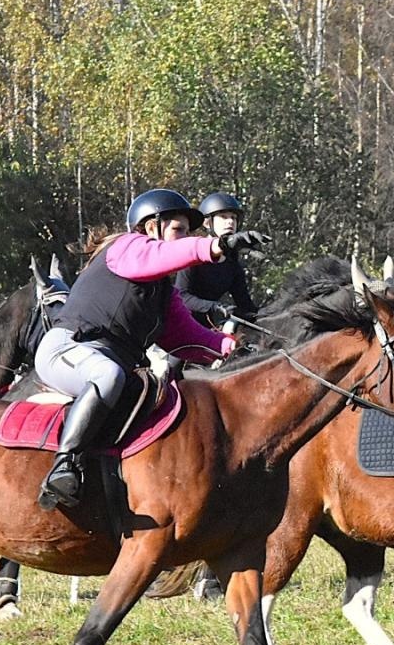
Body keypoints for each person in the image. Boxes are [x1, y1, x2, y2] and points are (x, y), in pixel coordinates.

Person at [33, 189, 268, 511]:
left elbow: (186, 335)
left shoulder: (162, 290)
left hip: (111, 362)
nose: (184, 237)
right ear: (150, 227)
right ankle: (64, 466)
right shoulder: (126, 248)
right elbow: (162, 256)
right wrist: (218, 245)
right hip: (68, 349)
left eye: (188, 232)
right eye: (178, 230)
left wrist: (235, 348)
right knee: (108, 375)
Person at [176, 191, 259, 327]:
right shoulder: (194, 254)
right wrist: (215, 306)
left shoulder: (232, 264)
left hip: (208, 328)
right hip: (176, 326)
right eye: (223, 217)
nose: (230, 222)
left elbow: (245, 305)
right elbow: (182, 297)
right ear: (208, 223)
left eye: (233, 217)